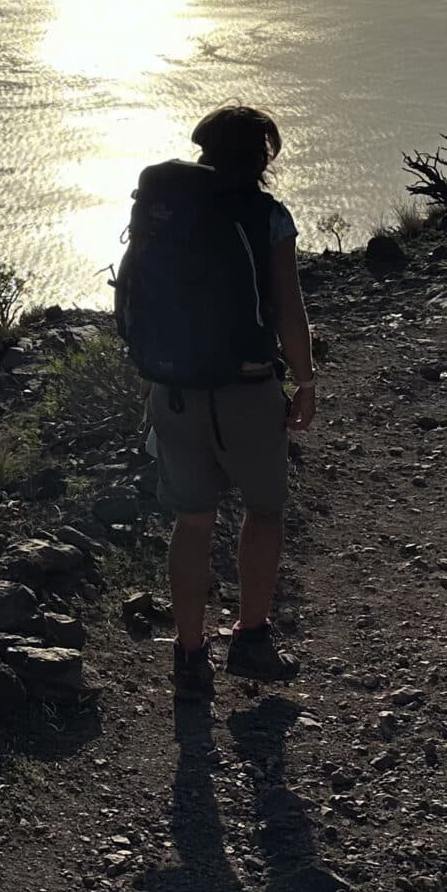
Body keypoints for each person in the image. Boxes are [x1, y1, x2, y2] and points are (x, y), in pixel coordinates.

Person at [115, 103, 315, 703]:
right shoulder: (267, 215)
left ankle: (189, 657)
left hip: (174, 389)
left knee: (192, 520)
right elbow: (287, 307)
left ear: (202, 149)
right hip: (248, 387)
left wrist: (151, 373)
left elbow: (132, 295)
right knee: (264, 510)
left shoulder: (163, 210)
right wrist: (304, 382)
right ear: (263, 155)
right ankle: (252, 639)